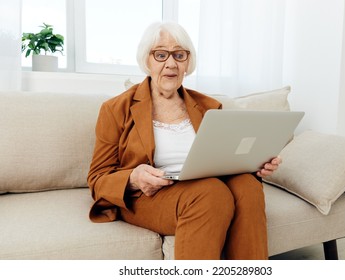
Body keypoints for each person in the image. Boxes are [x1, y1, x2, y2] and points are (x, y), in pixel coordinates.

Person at [87, 21, 281, 260]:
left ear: (188, 63)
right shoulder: (116, 108)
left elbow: (223, 159)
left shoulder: (209, 107)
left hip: (202, 184)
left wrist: (256, 163)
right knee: (211, 193)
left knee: (248, 186)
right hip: (148, 196)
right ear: (146, 60)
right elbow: (97, 178)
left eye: (179, 55)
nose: (171, 63)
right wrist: (133, 178)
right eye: (160, 55)